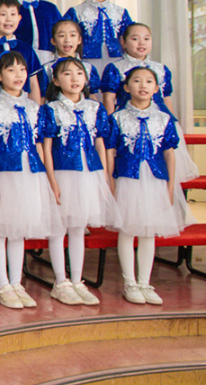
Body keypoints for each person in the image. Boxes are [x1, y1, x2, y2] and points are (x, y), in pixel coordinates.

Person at [0, 51, 63, 309]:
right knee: (0, 229)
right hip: (4, 173)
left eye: (23, 69)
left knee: (19, 230)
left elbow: (40, 147)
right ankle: (2, 285)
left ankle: (16, 283)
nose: (19, 75)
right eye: (11, 70)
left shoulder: (36, 108)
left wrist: (49, 180)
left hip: (31, 174)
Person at [107, 66, 196, 305]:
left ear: (157, 89)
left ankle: (145, 283)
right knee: (128, 230)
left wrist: (170, 186)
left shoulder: (164, 119)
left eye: (149, 81)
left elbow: (169, 154)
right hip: (127, 179)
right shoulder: (117, 118)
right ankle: (129, 283)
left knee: (149, 232)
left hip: (155, 180)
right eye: (137, 81)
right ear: (127, 87)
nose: (143, 85)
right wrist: (110, 183)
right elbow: (110, 152)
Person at [39, 57, 120, 307]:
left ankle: (77, 280)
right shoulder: (51, 109)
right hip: (62, 172)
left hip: (89, 173)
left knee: (77, 229)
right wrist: (52, 180)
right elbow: (47, 147)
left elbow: (100, 143)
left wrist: (104, 176)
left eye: (79, 73)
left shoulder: (95, 108)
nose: (74, 78)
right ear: (55, 80)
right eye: (67, 74)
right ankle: (60, 282)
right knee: (58, 227)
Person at [100, 22, 198, 184]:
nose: (141, 43)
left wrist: (171, 121)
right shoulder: (115, 68)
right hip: (129, 120)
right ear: (123, 42)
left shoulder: (160, 68)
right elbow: (109, 98)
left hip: (157, 122)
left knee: (162, 164)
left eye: (146, 39)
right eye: (135, 39)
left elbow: (166, 98)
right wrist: (111, 124)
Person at [64, 0, 133, 75]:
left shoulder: (120, 12)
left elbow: (130, 37)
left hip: (117, 60)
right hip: (85, 61)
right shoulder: (76, 12)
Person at [11, 0, 61, 64]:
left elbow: (60, 31)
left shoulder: (50, 8)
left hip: (47, 58)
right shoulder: (9, 7)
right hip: (17, 58)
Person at [37, 19, 102, 99]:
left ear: (79, 40)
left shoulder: (88, 68)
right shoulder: (46, 69)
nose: (67, 40)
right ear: (53, 41)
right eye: (62, 36)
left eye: (72, 35)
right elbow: (42, 98)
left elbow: (91, 96)